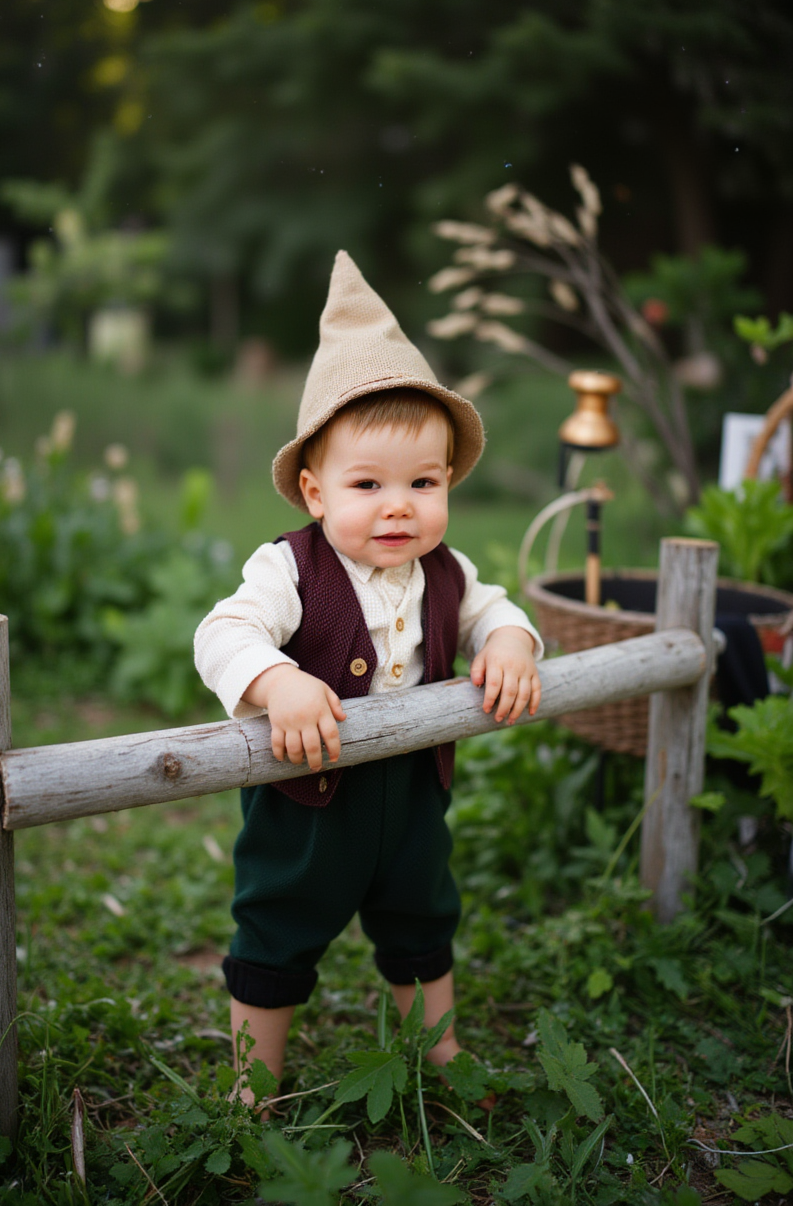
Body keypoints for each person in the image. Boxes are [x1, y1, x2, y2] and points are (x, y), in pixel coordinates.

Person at [194, 250, 543, 1104]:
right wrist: (276, 683)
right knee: (276, 925)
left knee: (424, 916)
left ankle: (440, 1044)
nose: (399, 505)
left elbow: (497, 609)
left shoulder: (449, 572)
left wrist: (509, 645)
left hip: (413, 794)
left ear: (449, 481)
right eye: (368, 484)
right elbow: (222, 632)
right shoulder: (289, 570)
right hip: (306, 802)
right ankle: (254, 1080)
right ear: (314, 492)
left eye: (423, 482)